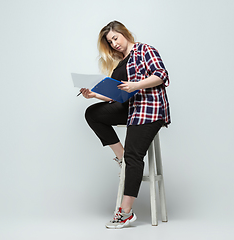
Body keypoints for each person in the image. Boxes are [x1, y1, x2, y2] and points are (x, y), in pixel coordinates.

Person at [80, 20, 171, 229]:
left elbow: (161, 75)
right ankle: (122, 157)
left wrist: (136, 85)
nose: (114, 44)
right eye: (110, 42)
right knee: (92, 113)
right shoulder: (120, 63)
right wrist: (94, 95)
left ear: (124, 33)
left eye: (115, 38)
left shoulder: (145, 50)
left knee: (135, 155)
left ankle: (125, 212)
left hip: (149, 108)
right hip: (130, 108)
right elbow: (118, 96)